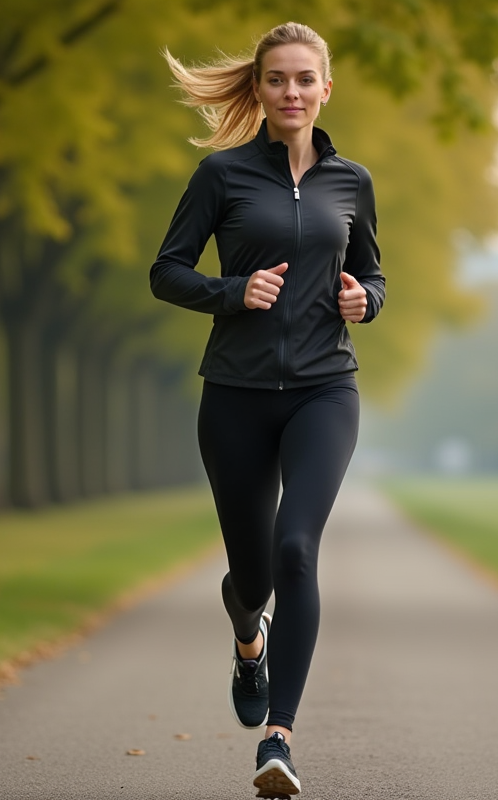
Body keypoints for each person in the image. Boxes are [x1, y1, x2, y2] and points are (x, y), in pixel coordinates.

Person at [150, 21, 385, 797]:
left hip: (324, 390)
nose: (291, 92)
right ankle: (248, 633)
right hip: (236, 397)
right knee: (252, 577)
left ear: (326, 89)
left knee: (296, 551)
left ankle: (278, 738)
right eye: (277, 79)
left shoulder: (352, 182)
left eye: (304, 79)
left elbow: (372, 274)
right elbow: (166, 271)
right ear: (258, 89)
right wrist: (232, 291)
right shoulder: (221, 176)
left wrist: (364, 300)